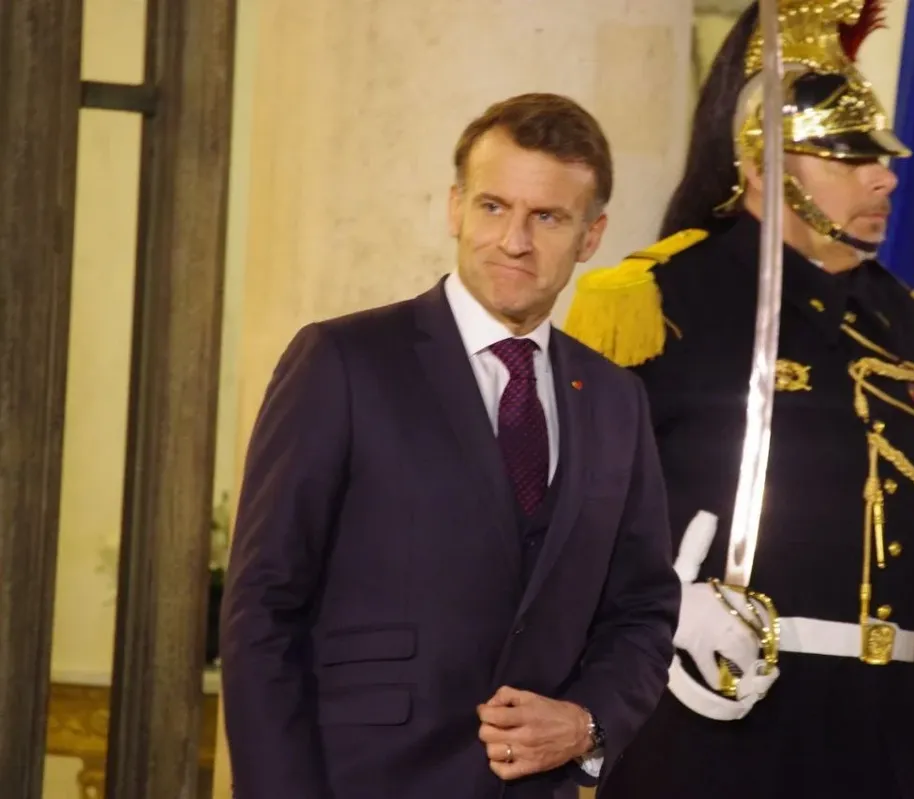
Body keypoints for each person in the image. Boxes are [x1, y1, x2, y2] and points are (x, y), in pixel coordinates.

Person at [563, 1, 914, 797]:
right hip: (715, 722)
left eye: (880, 156)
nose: (884, 177)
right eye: (848, 156)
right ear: (762, 167)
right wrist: (664, 606)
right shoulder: (663, 301)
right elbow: (577, 515)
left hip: (884, 740)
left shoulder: (909, 323)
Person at [220, 92, 681, 799]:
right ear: (456, 207)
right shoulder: (342, 362)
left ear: (591, 236)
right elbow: (263, 607)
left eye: (547, 217)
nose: (514, 241)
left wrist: (588, 722)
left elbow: (643, 609)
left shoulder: (617, 399)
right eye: (494, 207)